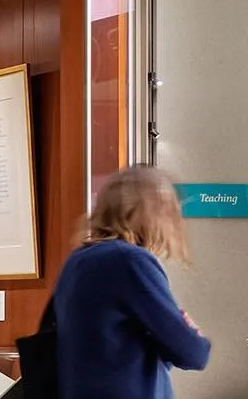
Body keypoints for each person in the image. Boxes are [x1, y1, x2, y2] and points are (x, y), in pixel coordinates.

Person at [53, 165, 212, 399]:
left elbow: (113, 347)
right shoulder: (130, 260)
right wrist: (191, 333)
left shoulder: (78, 260)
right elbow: (192, 353)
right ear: (151, 213)